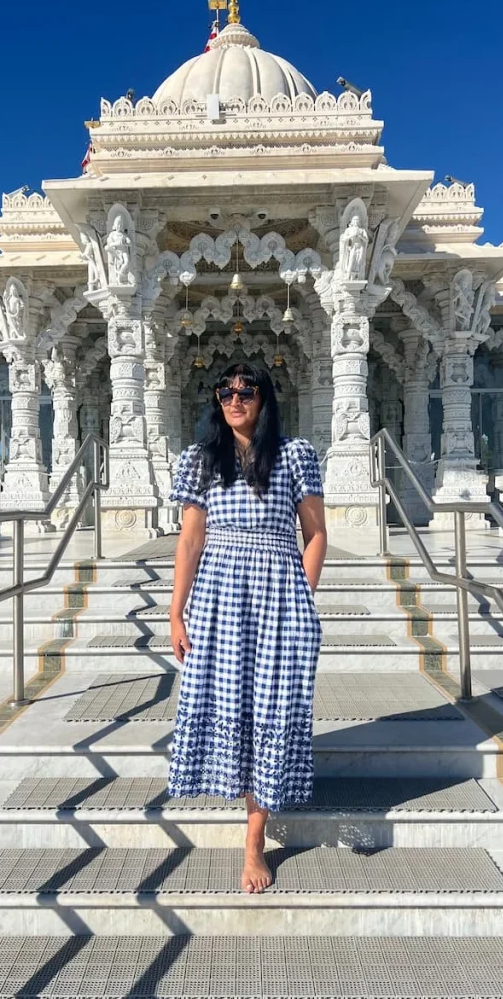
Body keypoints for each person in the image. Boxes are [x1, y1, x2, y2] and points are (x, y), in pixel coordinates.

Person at [168, 362, 327, 894]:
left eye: (247, 391)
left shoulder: (295, 454)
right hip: (219, 598)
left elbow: (316, 533)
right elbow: (190, 541)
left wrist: (301, 597)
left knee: (273, 710)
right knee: (232, 708)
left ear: (264, 399)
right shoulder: (199, 460)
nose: (235, 399)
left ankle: (254, 842)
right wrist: (176, 611)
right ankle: (250, 825)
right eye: (226, 391)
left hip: (281, 595)